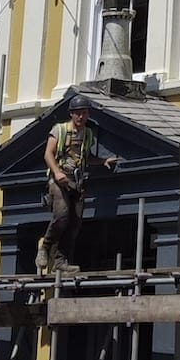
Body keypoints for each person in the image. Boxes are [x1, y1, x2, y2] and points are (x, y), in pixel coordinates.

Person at [41, 103, 118, 272]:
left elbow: (86, 156)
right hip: (60, 179)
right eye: (77, 113)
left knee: (74, 223)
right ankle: (45, 247)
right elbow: (48, 153)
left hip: (77, 181)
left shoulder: (87, 133)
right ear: (71, 114)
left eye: (84, 113)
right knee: (61, 214)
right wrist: (57, 172)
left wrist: (102, 161)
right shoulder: (59, 130)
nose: (81, 117)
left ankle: (60, 261)